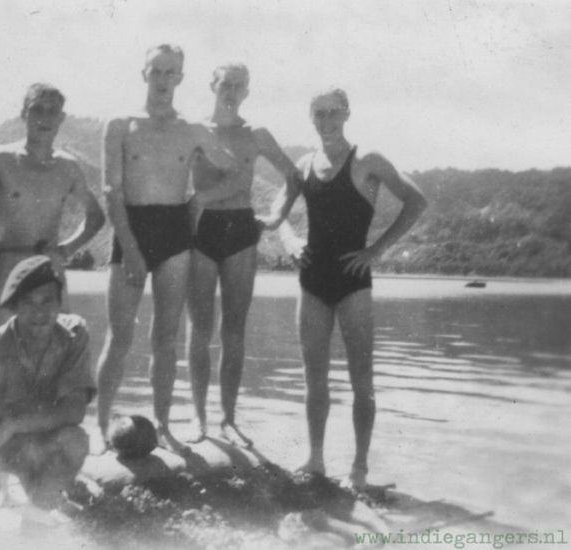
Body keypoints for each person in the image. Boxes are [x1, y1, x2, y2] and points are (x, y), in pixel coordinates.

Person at [261, 87, 427, 490]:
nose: (327, 121)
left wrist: (376, 250)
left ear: (348, 113)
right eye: (319, 114)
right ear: (311, 118)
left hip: (354, 283)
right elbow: (276, 214)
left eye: (334, 113)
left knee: (361, 381)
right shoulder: (303, 164)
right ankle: (315, 460)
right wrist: (289, 241)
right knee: (313, 378)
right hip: (312, 280)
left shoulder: (368, 160)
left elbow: (416, 201)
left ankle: (359, 469)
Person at [95, 44, 239, 454]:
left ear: (180, 77)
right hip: (131, 229)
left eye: (171, 72)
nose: (162, 79)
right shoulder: (121, 124)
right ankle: (101, 425)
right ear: (144, 74)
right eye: (156, 71)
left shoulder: (192, 129)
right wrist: (131, 247)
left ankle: (161, 425)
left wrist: (199, 200)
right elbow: (111, 190)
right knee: (120, 335)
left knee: (166, 337)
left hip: (175, 231)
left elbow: (235, 172)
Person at [186, 62, 304, 447]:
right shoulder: (194, 130)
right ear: (212, 85)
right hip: (202, 229)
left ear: (247, 92)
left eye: (240, 86)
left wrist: (276, 216)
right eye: (226, 84)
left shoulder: (256, 135)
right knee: (199, 328)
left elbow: (294, 177)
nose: (232, 91)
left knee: (233, 329)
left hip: (241, 228)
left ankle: (229, 418)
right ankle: (199, 416)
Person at [0, 255, 94, 525]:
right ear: (14, 307)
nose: (39, 313)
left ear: (60, 303)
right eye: (28, 303)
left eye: (47, 301)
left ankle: (34, 521)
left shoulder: (75, 335)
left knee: (75, 441)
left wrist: (13, 425)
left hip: (33, 438)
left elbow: (74, 410)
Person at [0, 83, 105, 329]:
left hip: (50, 269)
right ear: (24, 114)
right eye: (37, 110)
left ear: (62, 118)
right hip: (9, 264)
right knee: (2, 357)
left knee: (56, 357)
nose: (45, 118)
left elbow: (96, 217)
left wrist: (66, 250)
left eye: (52, 111)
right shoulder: (1, 159)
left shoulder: (68, 167)